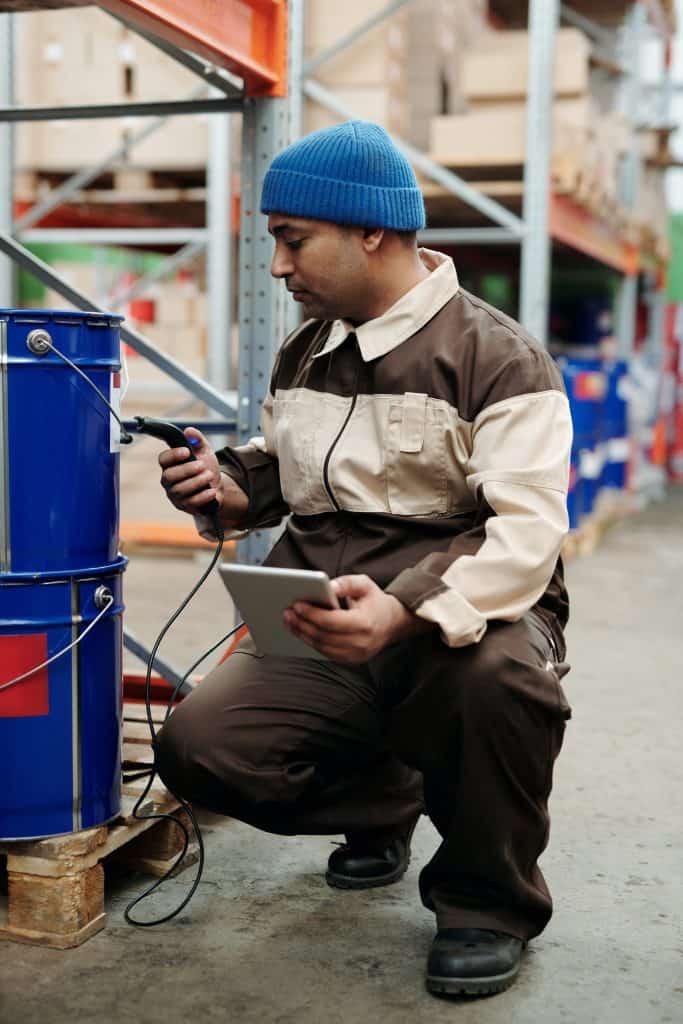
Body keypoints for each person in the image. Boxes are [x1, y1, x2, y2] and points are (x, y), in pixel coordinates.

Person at [155, 120, 573, 998]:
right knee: (199, 750)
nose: (278, 267)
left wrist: (406, 607)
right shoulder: (305, 351)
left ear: (369, 232)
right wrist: (230, 487)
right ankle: (392, 797)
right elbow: (294, 468)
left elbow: (527, 533)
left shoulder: (496, 358)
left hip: (470, 610)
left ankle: (483, 903)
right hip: (325, 603)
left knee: (496, 689)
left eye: (292, 241)